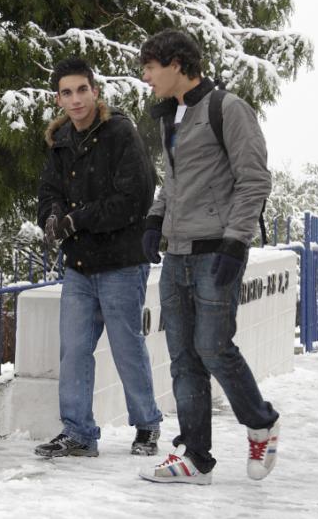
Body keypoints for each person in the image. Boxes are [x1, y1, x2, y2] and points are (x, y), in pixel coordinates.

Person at [136, 29, 280, 486]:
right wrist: (155, 220)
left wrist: (237, 243)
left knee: (214, 348)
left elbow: (254, 179)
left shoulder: (228, 108)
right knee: (182, 359)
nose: (146, 76)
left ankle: (262, 423)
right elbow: (175, 182)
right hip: (176, 257)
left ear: (177, 64)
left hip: (215, 253)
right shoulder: (171, 118)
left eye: (151, 66)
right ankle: (195, 458)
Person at [34, 57, 164, 459]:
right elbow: (48, 193)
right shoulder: (58, 142)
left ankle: (146, 425)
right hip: (78, 266)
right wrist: (53, 217)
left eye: (82, 90)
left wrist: (76, 219)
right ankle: (78, 433)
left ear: (95, 90)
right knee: (73, 349)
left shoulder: (119, 132)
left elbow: (135, 198)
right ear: (58, 98)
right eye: (67, 93)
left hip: (122, 262)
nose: (76, 100)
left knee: (126, 346)